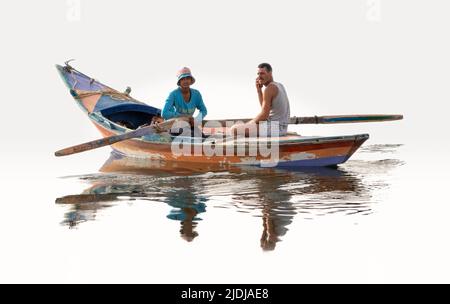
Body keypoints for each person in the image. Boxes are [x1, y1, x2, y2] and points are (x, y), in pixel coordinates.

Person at [231, 63, 290, 137]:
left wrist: (249, 124)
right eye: (258, 74)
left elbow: (264, 115)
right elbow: (265, 108)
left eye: (262, 73)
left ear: (270, 73)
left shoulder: (269, 88)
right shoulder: (279, 85)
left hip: (274, 129)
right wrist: (259, 91)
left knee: (234, 129)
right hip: (281, 128)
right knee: (243, 127)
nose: (259, 76)